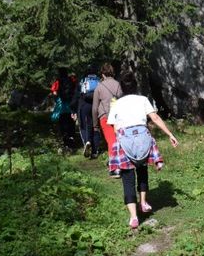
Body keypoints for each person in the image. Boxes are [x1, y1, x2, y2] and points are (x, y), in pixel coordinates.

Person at [107, 75, 178, 229]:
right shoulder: (143, 99)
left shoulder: (116, 104)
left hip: (125, 140)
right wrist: (170, 134)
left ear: (122, 88)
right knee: (142, 170)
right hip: (143, 139)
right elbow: (155, 118)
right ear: (135, 86)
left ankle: (133, 217)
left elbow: (114, 126)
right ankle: (143, 202)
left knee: (127, 178)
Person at [92, 63, 123, 176]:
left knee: (111, 141)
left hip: (105, 116)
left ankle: (115, 168)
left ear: (103, 74)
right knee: (119, 140)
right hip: (118, 116)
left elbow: (95, 108)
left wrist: (95, 124)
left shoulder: (99, 87)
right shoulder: (118, 84)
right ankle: (122, 163)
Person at [73, 66, 100, 158]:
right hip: (96, 105)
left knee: (84, 126)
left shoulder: (82, 81)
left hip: (84, 105)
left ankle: (87, 141)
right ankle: (95, 151)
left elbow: (76, 96)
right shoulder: (98, 80)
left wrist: (73, 109)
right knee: (95, 127)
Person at [50, 67, 77, 150]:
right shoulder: (71, 80)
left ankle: (65, 142)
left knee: (62, 124)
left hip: (61, 107)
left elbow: (54, 92)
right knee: (71, 123)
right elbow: (76, 90)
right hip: (70, 106)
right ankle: (72, 140)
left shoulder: (57, 82)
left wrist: (57, 99)